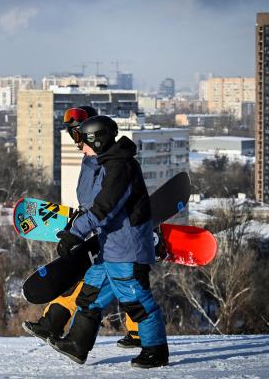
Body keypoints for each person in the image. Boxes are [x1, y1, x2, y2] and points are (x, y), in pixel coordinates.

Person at [47, 115, 169, 368]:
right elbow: (91, 200)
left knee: (136, 301)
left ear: (99, 140)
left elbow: (105, 207)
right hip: (111, 248)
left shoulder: (121, 168)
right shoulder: (107, 162)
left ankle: (156, 350)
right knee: (90, 294)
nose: (81, 145)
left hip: (127, 249)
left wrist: (75, 234)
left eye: (84, 140)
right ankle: (77, 344)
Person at [22, 107, 142, 349]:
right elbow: (91, 197)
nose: (78, 142)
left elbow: (108, 200)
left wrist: (83, 226)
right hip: (97, 227)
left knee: (117, 282)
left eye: (80, 136)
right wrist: (78, 220)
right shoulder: (90, 158)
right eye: (74, 136)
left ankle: (140, 335)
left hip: (112, 230)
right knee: (87, 279)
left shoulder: (107, 160)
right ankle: (52, 323)